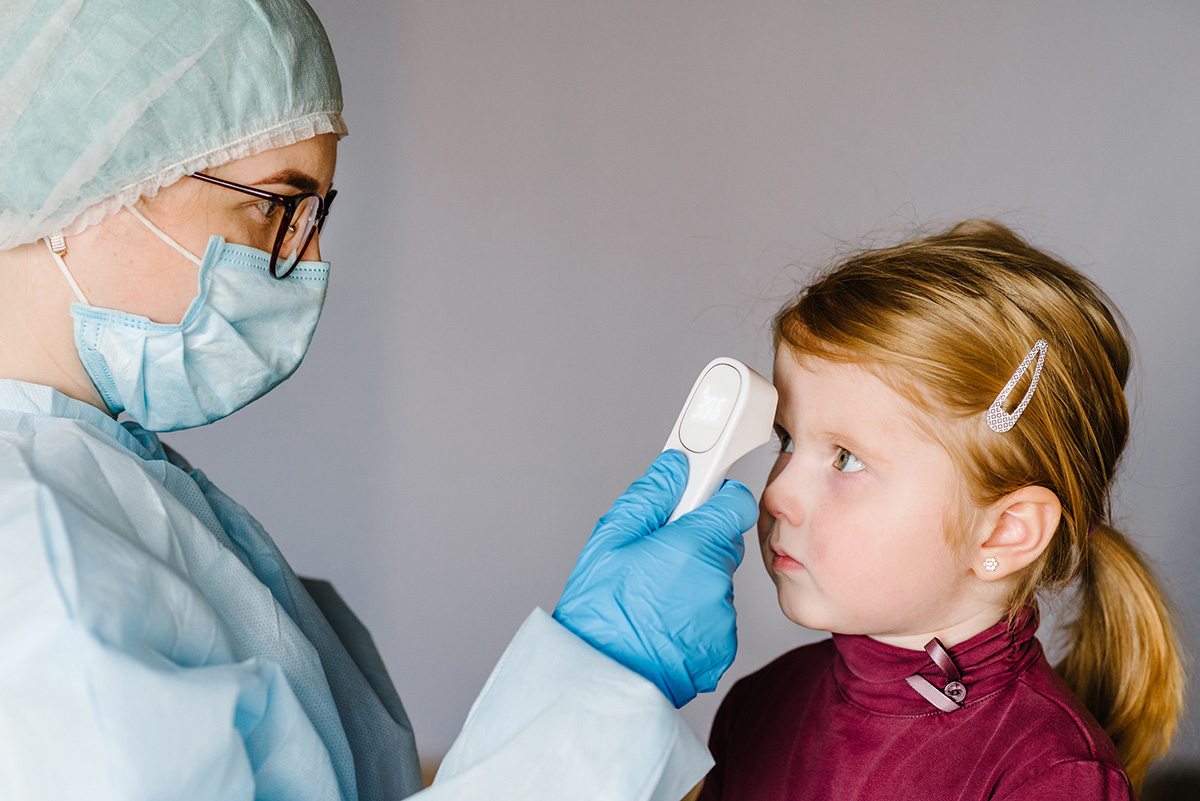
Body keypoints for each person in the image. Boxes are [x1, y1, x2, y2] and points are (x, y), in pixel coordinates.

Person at [0, 2, 758, 800]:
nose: (308, 261)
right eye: (272, 207)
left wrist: (586, 684)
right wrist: (602, 682)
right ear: (92, 176)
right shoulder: (38, 556)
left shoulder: (109, 483)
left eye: (314, 215)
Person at [697, 220, 1186, 800]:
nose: (775, 495)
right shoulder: (759, 704)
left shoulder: (1049, 775)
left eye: (847, 458)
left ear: (1004, 532)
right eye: (786, 440)